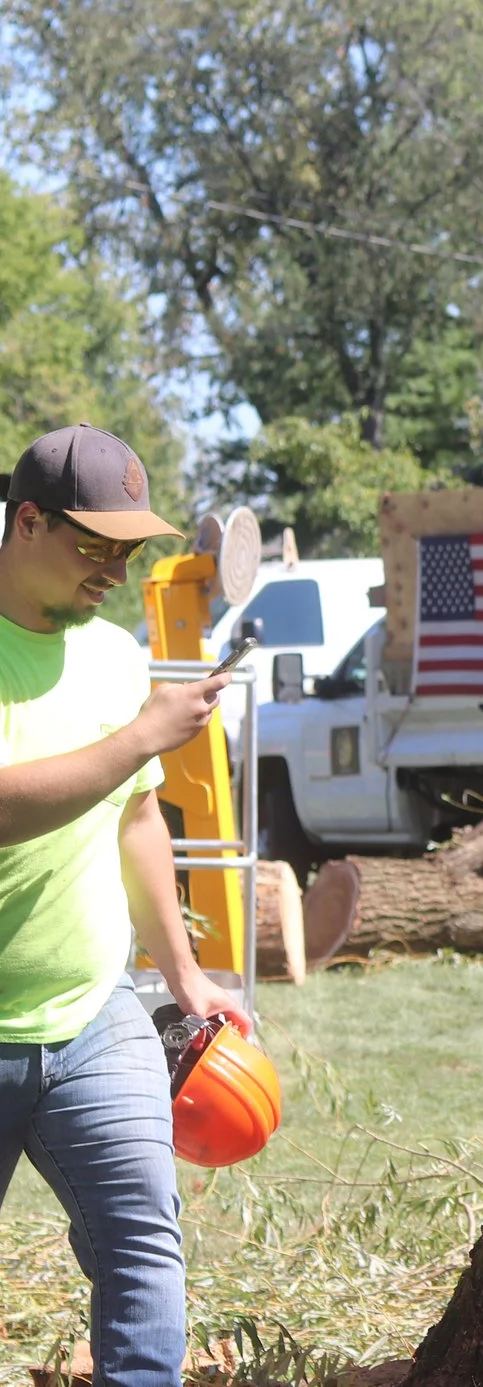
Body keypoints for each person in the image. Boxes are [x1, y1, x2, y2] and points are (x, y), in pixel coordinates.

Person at [0, 423, 250, 1387]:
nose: (113, 568)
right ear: (28, 522)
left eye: (129, 550)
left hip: (93, 1012)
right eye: (94, 545)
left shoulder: (111, 655)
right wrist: (143, 734)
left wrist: (187, 982)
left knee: (145, 1244)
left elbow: (137, 817)